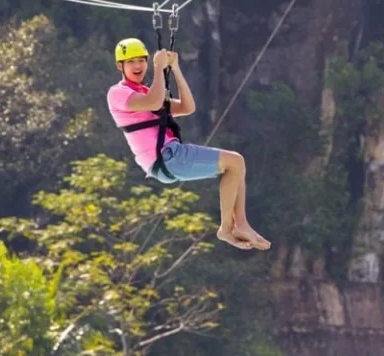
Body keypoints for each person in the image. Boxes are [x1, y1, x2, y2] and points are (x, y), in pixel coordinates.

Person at [107, 38, 271, 251]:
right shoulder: (118, 93)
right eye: (131, 62)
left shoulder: (148, 92)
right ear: (120, 66)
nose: (137, 66)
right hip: (167, 157)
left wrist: (175, 69)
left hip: (168, 160)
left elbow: (188, 107)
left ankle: (234, 226)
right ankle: (232, 226)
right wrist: (158, 67)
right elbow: (154, 103)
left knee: (235, 168)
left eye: (141, 60)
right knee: (236, 162)